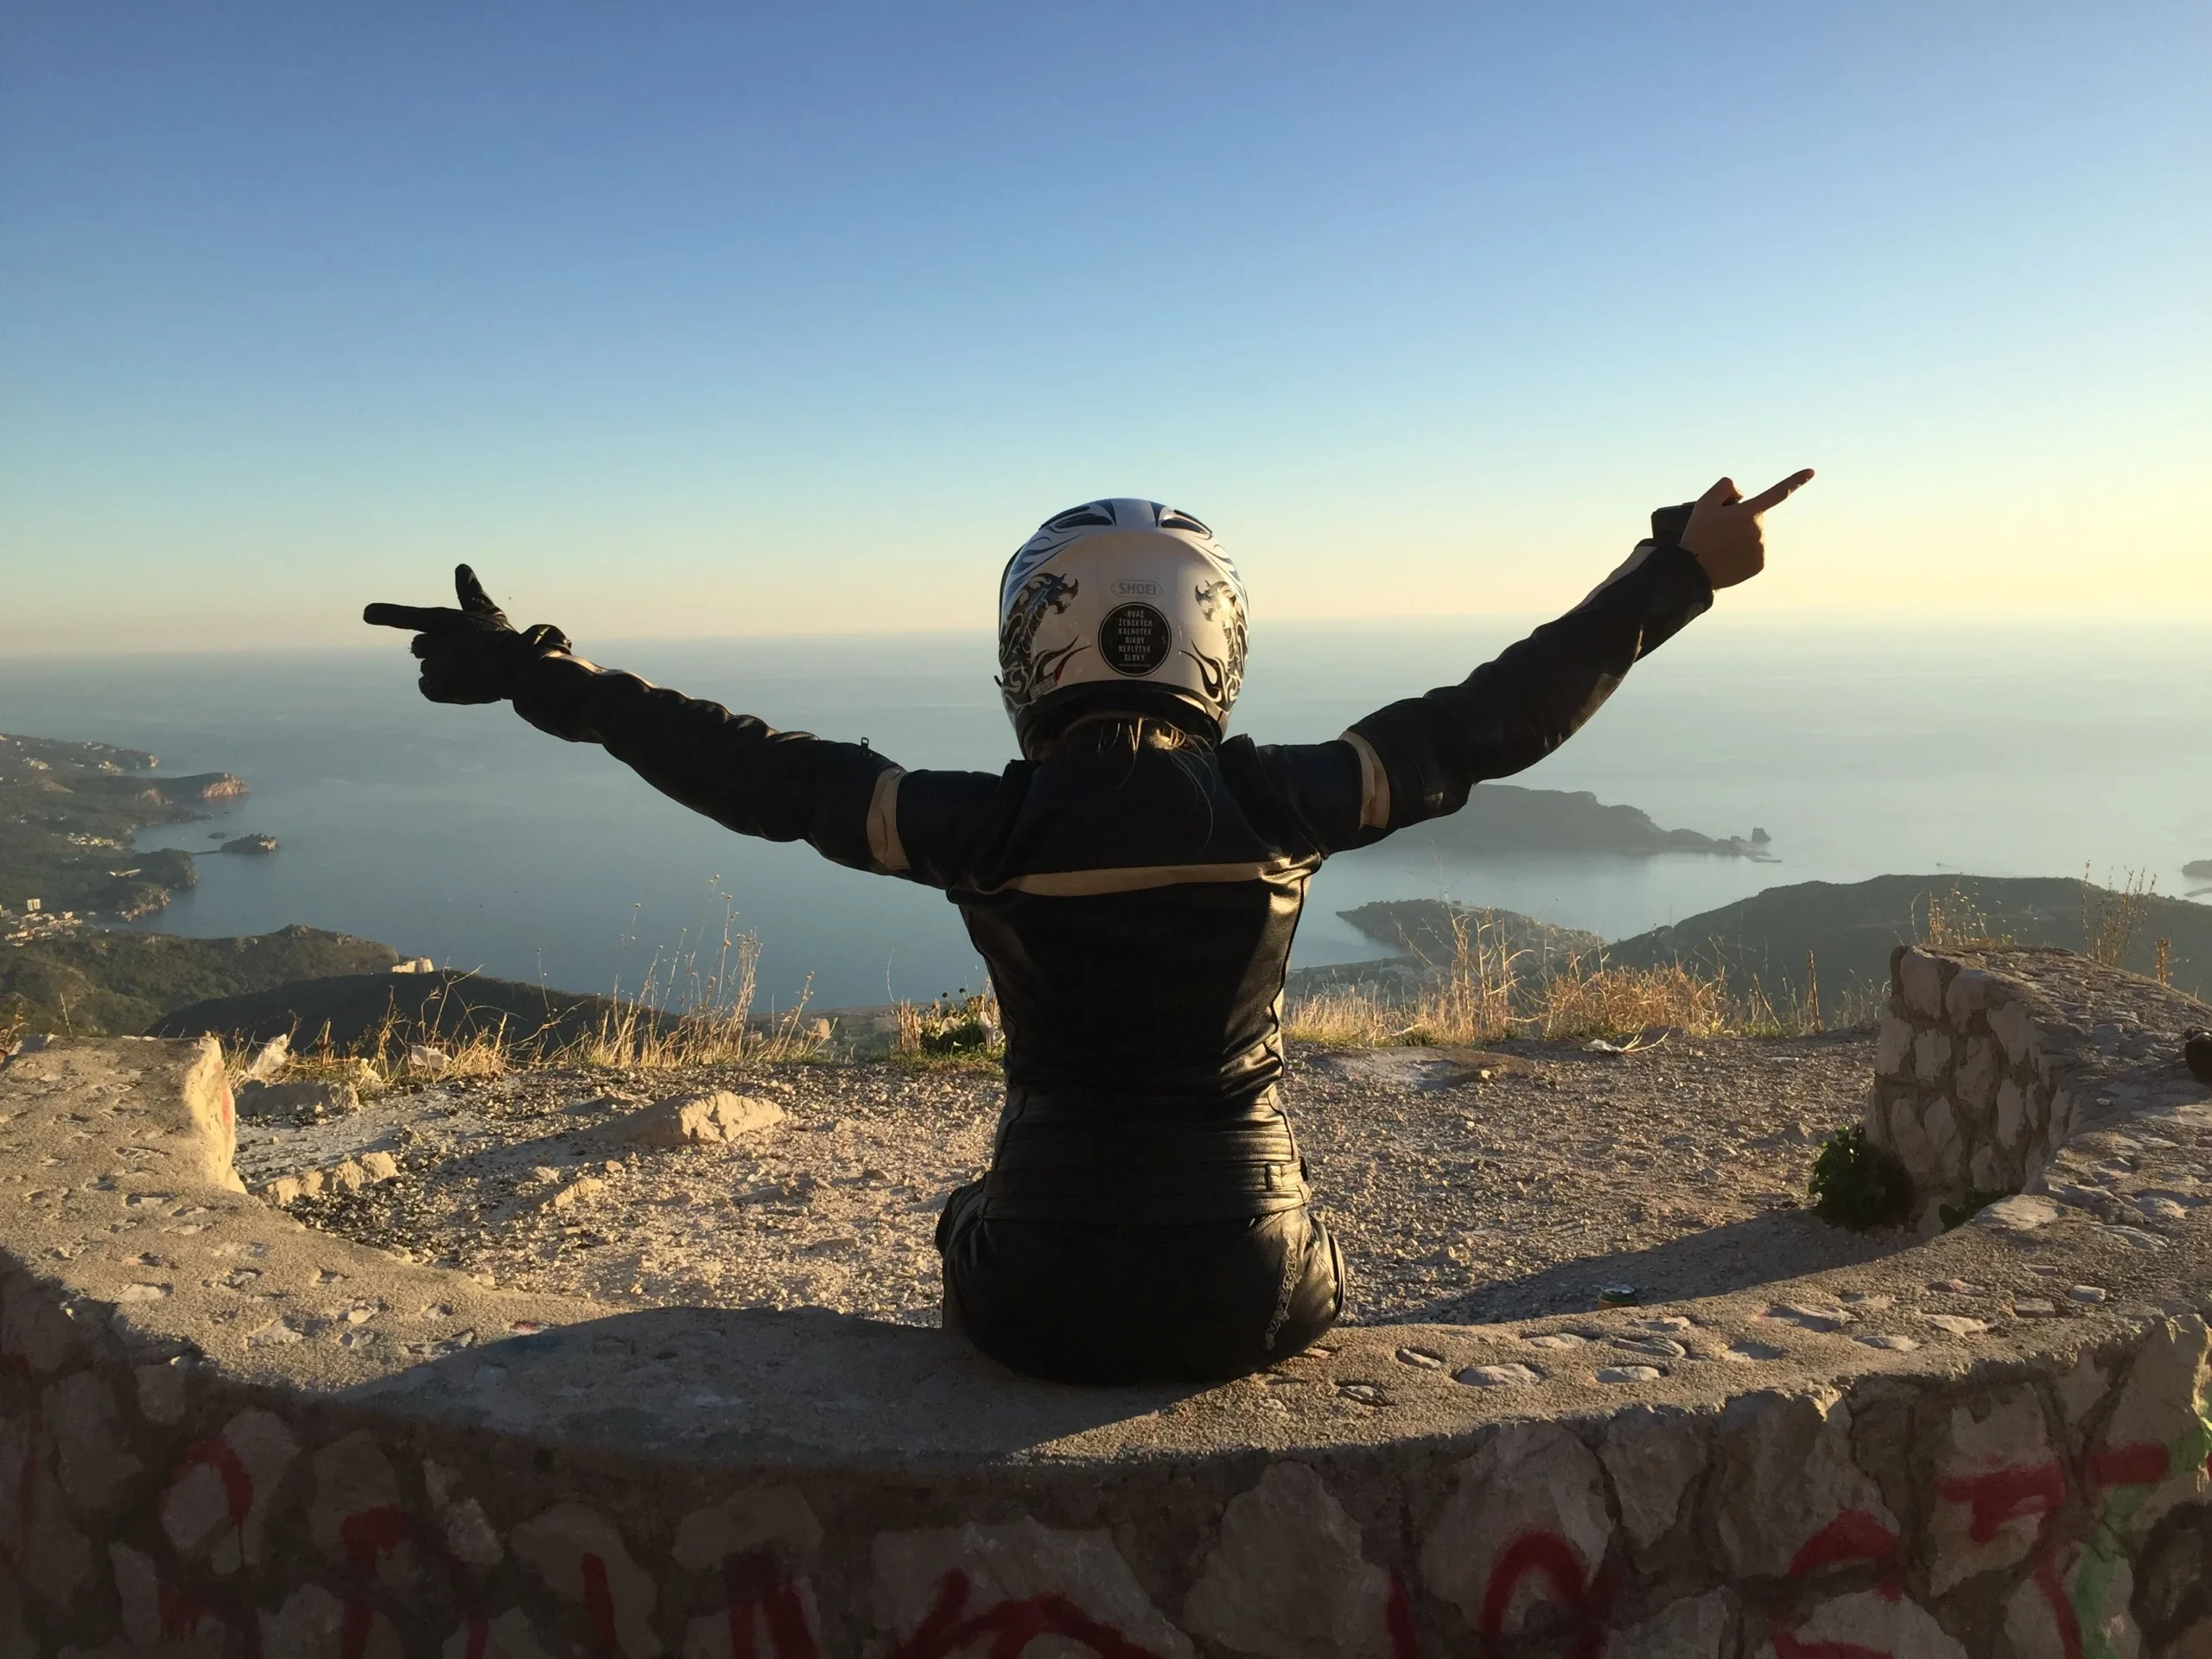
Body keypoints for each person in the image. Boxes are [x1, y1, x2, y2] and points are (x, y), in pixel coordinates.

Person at [365, 469, 1813, 1385]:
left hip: (1038, 1289)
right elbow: (1496, 717)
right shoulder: (1287, 803)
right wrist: (1674, 573)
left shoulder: (985, 828)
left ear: (1033, 644)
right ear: (1216, 640)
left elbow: (753, 770)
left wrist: (549, 675)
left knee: (962, 1219)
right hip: (1267, 1280)